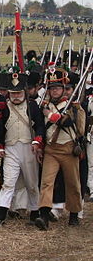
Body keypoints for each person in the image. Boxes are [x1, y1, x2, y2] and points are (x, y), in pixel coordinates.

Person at [0, 69, 46, 226]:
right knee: (8, 181)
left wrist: (37, 141)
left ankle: (35, 212)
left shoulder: (33, 107)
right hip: (11, 149)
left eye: (18, 93)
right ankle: (0, 214)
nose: (15, 96)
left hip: (29, 147)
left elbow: (40, 126)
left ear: (24, 92)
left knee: (32, 182)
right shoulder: (3, 108)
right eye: (13, 93)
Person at [35, 67, 85, 229]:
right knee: (47, 182)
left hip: (69, 149)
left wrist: (49, 114)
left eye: (57, 88)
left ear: (63, 88)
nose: (54, 91)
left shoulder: (73, 106)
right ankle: (43, 215)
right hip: (51, 149)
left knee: (73, 183)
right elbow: (41, 129)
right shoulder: (44, 104)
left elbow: (74, 125)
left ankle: (74, 214)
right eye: (51, 88)